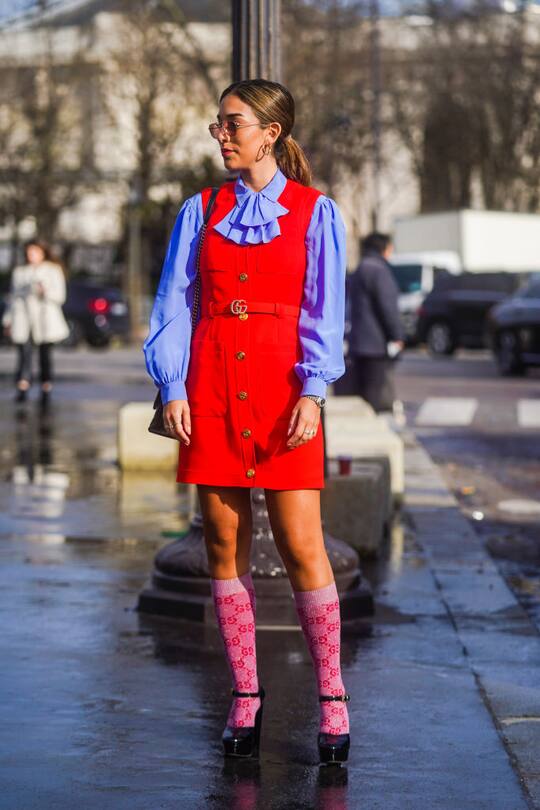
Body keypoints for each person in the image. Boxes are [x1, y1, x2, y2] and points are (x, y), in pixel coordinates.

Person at [143, 79, 350, 764]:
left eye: (234, 123)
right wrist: (170, 385)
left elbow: (325, 310)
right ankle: (246, 694)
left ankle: (331, 697)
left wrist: (314, 393)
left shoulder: (316, 213)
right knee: (222, 546)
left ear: (271, 132)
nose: (221, 134)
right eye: (218, 124)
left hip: (284, 388)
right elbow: (174, 299)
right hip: (210, 384)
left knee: (301, 546)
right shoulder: (199, 210)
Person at [2, 239, 69, 406]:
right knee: (23, 355)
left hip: (45, 319)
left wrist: (44, 291)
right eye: (29, 252)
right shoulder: (20, 272)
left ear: (43, 252)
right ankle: (22, 387)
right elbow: (13, 298)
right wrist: (7, 320)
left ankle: (46, 387)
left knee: (45, 355)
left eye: (35, 251)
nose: (31, 255)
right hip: (23, 318)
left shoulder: (53, 270)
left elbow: (60, 297)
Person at [348, 232, 404, 413]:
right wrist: (397, 335)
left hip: (358, 341)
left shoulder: (360, 268)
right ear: (384, 249)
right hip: (375, 343)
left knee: (363, 394)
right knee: (374, 396)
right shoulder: (379, 270)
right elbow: (387, 307)